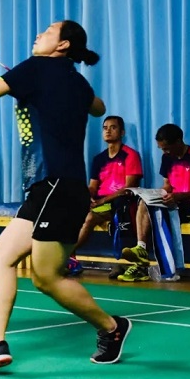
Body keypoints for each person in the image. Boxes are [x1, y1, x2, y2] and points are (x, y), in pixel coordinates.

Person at [0, 20, 132, 374]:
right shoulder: (75, 80)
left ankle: (112, 327)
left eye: (47, 31)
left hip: (56, 183)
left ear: (63, 45)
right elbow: (99, 107)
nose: (38, 35)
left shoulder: (34, 68)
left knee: (46, 278)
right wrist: (54, 85)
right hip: (53, 187)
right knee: (1, 255)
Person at [119, 123, 190, 283]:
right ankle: (141, 248)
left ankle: (165, 268)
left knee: (157, 214)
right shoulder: (167, 158)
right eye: (161, 149)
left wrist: (178, 196)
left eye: (167, 149)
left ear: (178, 142)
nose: (164, 152)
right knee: (143, 202)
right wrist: (156, 194)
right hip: (173, 201)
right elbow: (167, 185)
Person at [66, 116, 143, 276]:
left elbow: (129, 188)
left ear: (122, 132)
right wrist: (85, 196)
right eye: (105, 127)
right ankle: (71, 259)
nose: (108, 131)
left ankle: (63, 256)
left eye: (113, 127)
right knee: (70, 212)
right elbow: (93, 187)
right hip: (101, 203)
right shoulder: (99, 159)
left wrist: (101, 201)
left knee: (89, 218)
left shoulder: (130, 155)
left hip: (119, 202)